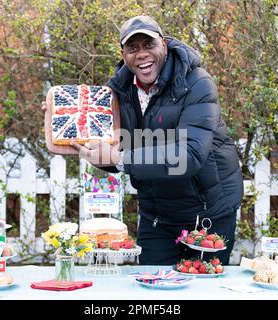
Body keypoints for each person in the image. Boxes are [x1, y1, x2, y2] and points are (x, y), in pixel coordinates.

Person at [44, 15, 243, 266]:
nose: (141, 54)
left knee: (201, 289)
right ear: (124, 54)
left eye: (149, 45)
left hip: (207, 213)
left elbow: (189, 155)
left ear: (164, 45)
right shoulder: (120, 92)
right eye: (132, 48)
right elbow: (117, 151)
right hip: (156, 214)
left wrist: (120, 157)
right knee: (149, 288)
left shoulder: (196, 84)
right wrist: (65, 121)